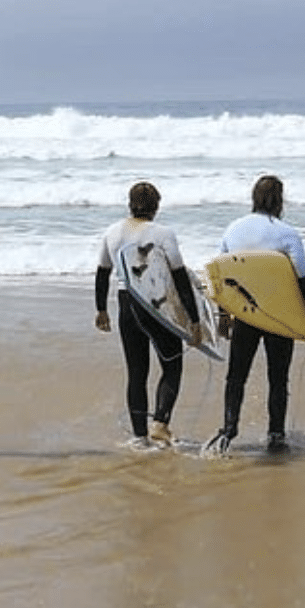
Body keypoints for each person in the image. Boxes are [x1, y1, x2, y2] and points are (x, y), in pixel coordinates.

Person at [203, 175, 305, 456]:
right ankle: (275, 435)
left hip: (246, 314)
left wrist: (224, 316)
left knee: (236, 377)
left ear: (254, 198)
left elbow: (221, 278)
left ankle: (228, 430)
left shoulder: (234, 229)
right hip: (280, 317)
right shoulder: (286, 233)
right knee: (278, 378)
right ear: (280, 200)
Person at [94, 181, 204, 450]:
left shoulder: (112, 232)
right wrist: (195, 320)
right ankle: (160, 423)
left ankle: (140, 437)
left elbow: (102, 273)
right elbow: (179, 277)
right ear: (156, 206)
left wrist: (101, 310)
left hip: (127, 304)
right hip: (158, 303)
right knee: (172, 365)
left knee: (136, 371)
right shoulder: (163, 233)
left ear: (130, 204)